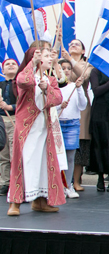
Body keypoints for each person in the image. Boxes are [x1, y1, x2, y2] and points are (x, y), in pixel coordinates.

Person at [7, 47, 65, 216]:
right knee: (23, 161)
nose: (49, 58)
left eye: (49, 55)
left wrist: (47, 88)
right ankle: (15, 203)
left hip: (43, 128)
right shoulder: (26, 76)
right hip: (27, 127)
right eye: (45, 56)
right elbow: (23, 82)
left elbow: (57, 99)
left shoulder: (50, 80)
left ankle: (40, 201)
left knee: (42, 165)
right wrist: (32, 64)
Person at [57, 60, 88, 198]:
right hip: (57, 123)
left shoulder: (75, 87)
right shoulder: (53, 87)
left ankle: (68, 185)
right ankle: (58, 186)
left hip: (72, 124)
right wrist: (59, 106)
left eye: (68, 68)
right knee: (58, 157)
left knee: (70, 156)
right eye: (63, 68)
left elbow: (82, 105)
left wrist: (80, 88)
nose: (66, 71)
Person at [0, 59, 19, 196]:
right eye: (7, 64)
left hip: (15, 119)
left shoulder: (20, 85)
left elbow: (26, 102)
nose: (11, 66)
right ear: (3, 70)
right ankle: (4, 182)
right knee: (3, 154)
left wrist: (10, 107)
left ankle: (16, 182)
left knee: (15, 153)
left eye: (13, 64)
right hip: (1, 120)